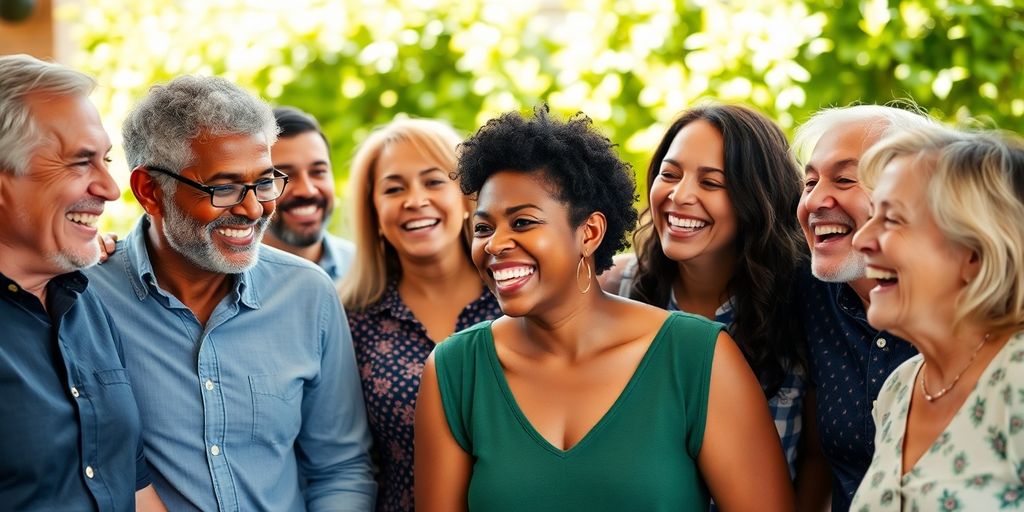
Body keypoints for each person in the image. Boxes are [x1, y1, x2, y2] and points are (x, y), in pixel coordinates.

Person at [415, 107, 793, 511]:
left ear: (590, 233)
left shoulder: (698, 357)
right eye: (483, 228)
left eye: (523, 222)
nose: (494, 244)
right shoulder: (455, 370)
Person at [83, 75, 375, 511]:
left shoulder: (307, 294)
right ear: (149, 191)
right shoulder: (85, 299)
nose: (255, 208)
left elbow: (340, 467)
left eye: (264, 181)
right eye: (223, 188)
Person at [599, 103, 808, 480]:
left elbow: (819, 462)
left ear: (758, 199)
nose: (679, 196)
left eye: (710, 183)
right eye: (669, 174)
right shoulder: (616, 286)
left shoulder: (806, 301)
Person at [0, 54, 163, 511]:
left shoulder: (86, 305)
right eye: (80, 162)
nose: (112, 189)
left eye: (105, 160)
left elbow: (133, 488)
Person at [849, 127, 1024, 509]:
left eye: (892, 220)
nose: (861, 239)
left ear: (974, 254)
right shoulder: (899, 389)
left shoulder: (1017, 378)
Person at [339, 118, 501, 512]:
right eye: (394, 188)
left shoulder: (517, 299)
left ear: (468, 199)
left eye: (433, 181)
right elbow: (339, 459)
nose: (415, 200)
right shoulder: (348, 320)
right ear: (373, 212)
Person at [792, 105, 937, 510]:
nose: (816, 200)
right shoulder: (809, 290)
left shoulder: (981, 315)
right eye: (809, 182)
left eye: (844, 178)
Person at [263, 106, 356, 281]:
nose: (307, 190)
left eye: (318, 172)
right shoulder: (223, 284)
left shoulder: (366, 271)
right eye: (285, 175)